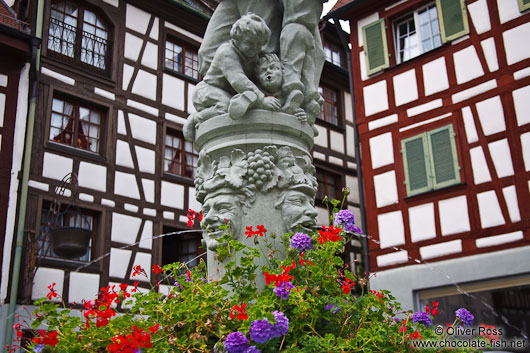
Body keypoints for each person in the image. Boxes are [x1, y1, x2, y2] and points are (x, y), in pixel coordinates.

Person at [184, 13, 280, 141]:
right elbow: (238, 79)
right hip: (207, 90)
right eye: (250, 43)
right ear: (237, 38)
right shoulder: (226, 52)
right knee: (225, 106)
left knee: (239, 103)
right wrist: (262, 100)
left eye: (259, 45)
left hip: (231, 93)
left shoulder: (253, 55)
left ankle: (242, 101)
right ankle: (197, 118)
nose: (255, 48)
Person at [280, 0, 327, 123]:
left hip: (294, 28)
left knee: (294, 64)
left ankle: (294, 91)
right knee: (309, 62)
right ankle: (309, 99)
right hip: (306, 28)